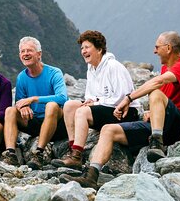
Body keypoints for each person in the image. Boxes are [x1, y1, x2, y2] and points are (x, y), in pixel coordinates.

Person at [64, 31, 180, 189]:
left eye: (157, 47)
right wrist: (151, 113)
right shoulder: (164, 68)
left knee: (155, 91)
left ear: (168, 48)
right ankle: (91, 175)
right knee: (108, 130)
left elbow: (158, 84)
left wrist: (129, 98)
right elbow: (165, 101)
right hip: (161, 125)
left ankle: (156, 143)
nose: (154, 51)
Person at [52, 30, 140, 169]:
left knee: (82, 112)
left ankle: (76, 156)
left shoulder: (113, 66)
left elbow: (121, 97)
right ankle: (72, 149)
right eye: (82, 48)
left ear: (99, 49)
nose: (83, 51)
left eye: (87, 47)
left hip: (124, 112)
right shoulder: (91, 68)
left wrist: (95, 103)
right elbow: (90, 94)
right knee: (70, 105)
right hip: (107, 108)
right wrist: (90, 100)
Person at [1, 36, 69, 169]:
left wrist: (33, 99)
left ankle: (39, 153)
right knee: (10, 110)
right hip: (34, 121)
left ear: (39, 54)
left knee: (52, 105)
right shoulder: (22, 77)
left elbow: (62, 98)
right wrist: (22, 107)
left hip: (56, 124)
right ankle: (11, 154)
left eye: (29, 50)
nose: (25, 54)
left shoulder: (54, 73)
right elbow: (19, 102)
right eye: (22, 51)